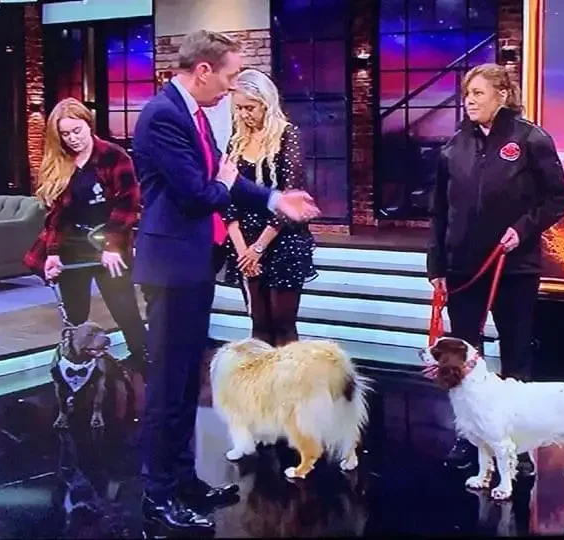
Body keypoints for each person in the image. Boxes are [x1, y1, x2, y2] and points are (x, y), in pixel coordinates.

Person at [130, 30, 319, 536]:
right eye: (231, 76)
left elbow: (226, 178)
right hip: (171, 268)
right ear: (203, 71)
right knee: (167, 386)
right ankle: (158, 494)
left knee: (186, 382)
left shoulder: (191, 114)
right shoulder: (163, 116)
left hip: (192, 265)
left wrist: (275, 199)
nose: (233, 87)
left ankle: (183, 480)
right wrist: (226, 183)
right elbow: (200, 192)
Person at [426, 63, 564, 471]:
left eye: (478, 93)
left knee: (516, 354)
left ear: (502, 94)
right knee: (461, 358)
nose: (469, 101)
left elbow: (559, 199)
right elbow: (439, 212)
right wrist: (436, 264)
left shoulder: (531, 139)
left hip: (514, 268)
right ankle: (469, 437)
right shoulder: (453, 146)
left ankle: (519, 444)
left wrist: (522, 230)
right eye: (467, 94)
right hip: (462, 268)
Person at [23, 97, 146, 370]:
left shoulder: (114, 156)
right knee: (75, 315)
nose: (72, 139)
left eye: (77, 131)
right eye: (65, 134)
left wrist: (112, 246)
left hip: (109, 241)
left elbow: (128, 204)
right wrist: (52, 254)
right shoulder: (59, 161)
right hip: (73, 245)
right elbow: (57, 216)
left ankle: (143, 363)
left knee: (124, 309)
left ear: (89, 125)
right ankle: (77, 369)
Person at [222, 68, 317, 346]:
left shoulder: (288, 135)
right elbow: (226, 197)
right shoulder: (236, 141)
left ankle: (289, 375)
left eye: (249, 108)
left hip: (282, 241)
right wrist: (243, 250)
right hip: (245, 243)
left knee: (283, 325)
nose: (243, 115)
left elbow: (289, 198)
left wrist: (259, 248)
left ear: (266, 103)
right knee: (259, 324)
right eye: (238, 108)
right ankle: (261, 375)